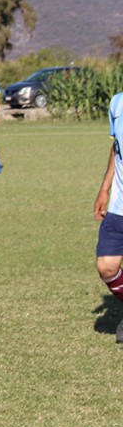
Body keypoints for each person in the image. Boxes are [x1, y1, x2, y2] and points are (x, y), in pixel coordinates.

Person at [94, 91, 123, 338]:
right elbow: (117, 148)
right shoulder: (117, 103)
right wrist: (104, 188)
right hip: (118, 206)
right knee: (106, 267)